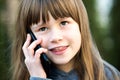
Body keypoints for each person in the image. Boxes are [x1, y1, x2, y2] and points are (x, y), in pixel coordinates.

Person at [10, 0, 120, 80]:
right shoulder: (29, 76)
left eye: (64, 23)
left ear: (81, 26)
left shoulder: (108, 75)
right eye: (43, 28)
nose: (56, 37)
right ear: (29, 37)